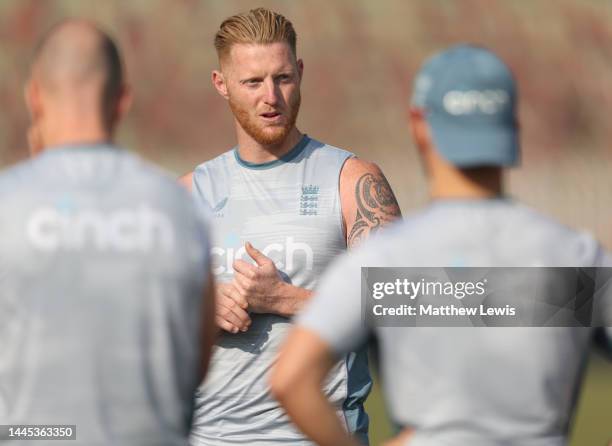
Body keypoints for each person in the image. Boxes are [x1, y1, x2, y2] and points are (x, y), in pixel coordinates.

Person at [271, 45, 612, 446]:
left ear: (420, 125)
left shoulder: (387, 260)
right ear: (512, 126)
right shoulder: (573, 256)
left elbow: (291, 380)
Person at [180, 7, 401, 446]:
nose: (271, 97)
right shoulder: (189, 194)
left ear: (300, 72)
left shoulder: (352, 180)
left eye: (282, 78)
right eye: (252, 82)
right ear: (221, 85)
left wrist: (286, 299)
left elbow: (403, 308)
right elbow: (150, 324)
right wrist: (203, 310)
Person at [0, 20, 216, 446]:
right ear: (122, 101)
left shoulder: (8, 202)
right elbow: (198, 359)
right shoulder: (177, 207)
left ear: (34, 98)